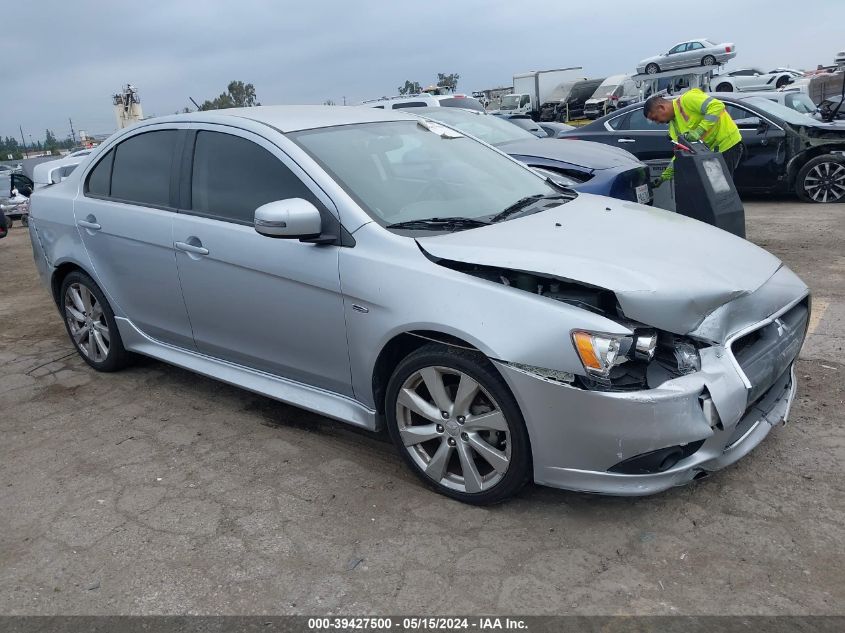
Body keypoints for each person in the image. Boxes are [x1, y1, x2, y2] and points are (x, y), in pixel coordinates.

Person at [644, 88, 744, 188]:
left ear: (661, 108)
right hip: (712, 153)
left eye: (655, 118)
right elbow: (681, 153)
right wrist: (664, 177)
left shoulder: (687, 100)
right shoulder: (673, 129)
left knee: (720, 188)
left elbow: (717, 106)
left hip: (728, 144)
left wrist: (700, 130)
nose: (657, 122)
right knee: (715, 188)